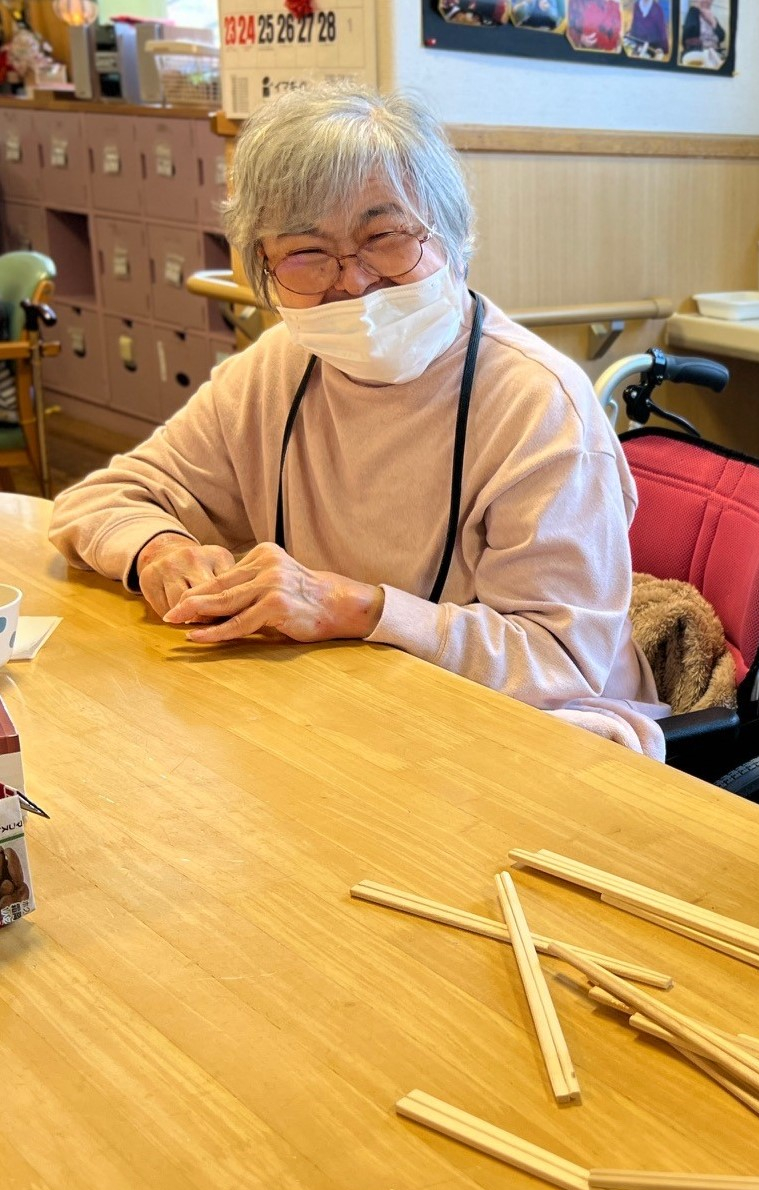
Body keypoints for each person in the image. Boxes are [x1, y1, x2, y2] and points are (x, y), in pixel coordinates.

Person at [48, 84, 667, 759]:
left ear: (453, 233)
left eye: (385, 238)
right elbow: (100, 500)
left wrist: (362, 609)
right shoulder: (276, 368)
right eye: (307, 253)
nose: (353, 282)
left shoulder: (538, 403)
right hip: (348, 711)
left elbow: (559, 661)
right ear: (265, 268)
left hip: (532, 734)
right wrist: (160, 548)